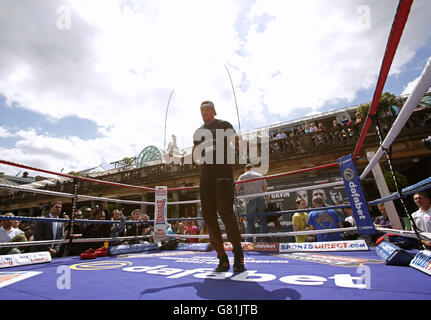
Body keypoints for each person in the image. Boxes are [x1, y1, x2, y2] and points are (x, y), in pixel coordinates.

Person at [192, 100, 245, 273]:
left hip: (223, 170)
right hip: (205, 173)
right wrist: (176, 156)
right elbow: (195, 154)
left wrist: (241, 145)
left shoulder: (224, 124)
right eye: (202, 110)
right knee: (208, 216)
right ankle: (222, 258)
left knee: (225, 211)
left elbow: (237, 141)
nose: (204, 112)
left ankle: (238, 255)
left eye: (207, 109)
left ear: (214, 111)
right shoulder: (198, 132)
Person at [236, 164, 269, 242]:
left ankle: (248, 241)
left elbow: (236, 189)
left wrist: (235, 199)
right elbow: (265, 190)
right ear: (252, 169)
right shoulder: (260, 175)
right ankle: (264, 241)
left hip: (249, 201)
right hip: (260, 200)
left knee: (250, 222)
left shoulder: (243, 176)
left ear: (245, 169)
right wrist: (267, 201)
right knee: (263, 221)